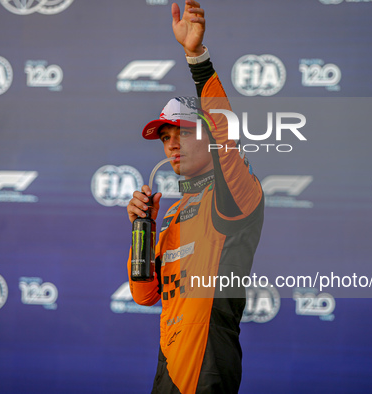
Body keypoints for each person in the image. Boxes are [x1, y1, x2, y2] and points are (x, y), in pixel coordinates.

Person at [126, 1, 264, 392]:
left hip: (208, 367)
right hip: (168, 367)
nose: (172, 146)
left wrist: (196, 57)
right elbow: (145, 294)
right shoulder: (174, 212)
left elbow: (225, 131)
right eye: (166, 138)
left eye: (183, 133)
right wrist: (142, 229)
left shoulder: (233, 196)